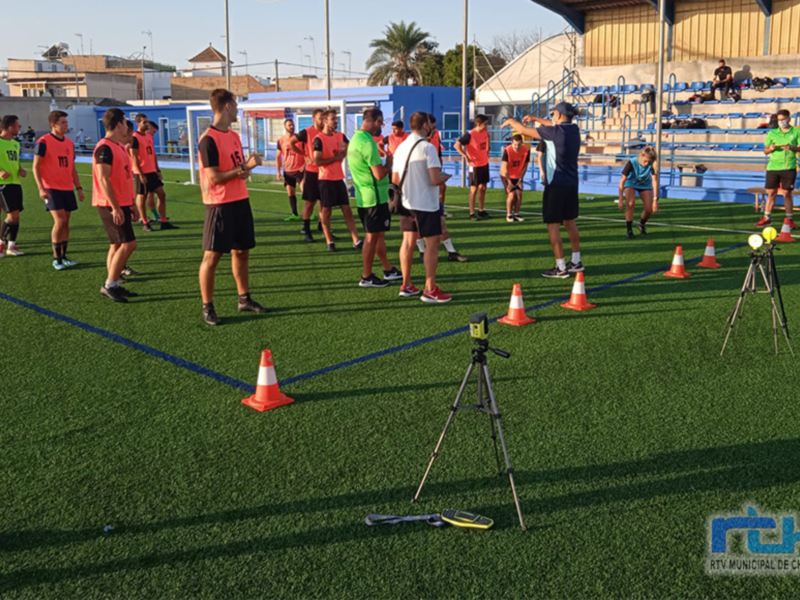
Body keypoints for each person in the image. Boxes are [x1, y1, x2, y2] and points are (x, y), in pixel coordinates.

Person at [198, 89, 268, 326]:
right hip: (219, 205)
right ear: (227, 106)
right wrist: (244, 168)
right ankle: (207, 307)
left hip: (240, 201)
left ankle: (244, 299)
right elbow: (215, 177)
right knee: (212, 257)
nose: (238, 110)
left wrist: (246, 168)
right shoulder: (208, 139)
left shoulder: (234, 136)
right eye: (236, 106)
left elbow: (238, 172)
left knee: (242, 252)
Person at [501, 102, 583, 279]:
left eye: (553, 114)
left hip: (555, 184)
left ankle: (561, 267)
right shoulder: (574, 130)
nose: (552, 116)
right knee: (570, 221)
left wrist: (510, 121)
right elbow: (552, 124)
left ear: (559, 115)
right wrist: (535, 118)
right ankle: (576, 261)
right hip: (571, 183)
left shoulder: (553, 132)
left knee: (553, 224)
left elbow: (522, 130)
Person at [392, 111, 453, 302]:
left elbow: (395, 179)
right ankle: (430, 289)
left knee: (407, 242)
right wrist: (444, 178)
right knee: (432, 244)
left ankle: (407, 284)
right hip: (426, 203)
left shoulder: (400, 147)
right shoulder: (428, 147)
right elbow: (435, 179)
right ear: (425, 126)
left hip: (406, 202)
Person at [347, 107, 402, 287]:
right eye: (381, 123)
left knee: (378, 235)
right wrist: (389, 164)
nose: (381, 127)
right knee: (372, 237)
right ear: (377, 121)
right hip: (374, 198)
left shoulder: (356, 139)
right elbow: (379, 174)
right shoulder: (367, 143)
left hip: (365, 196)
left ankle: (388, 269)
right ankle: (366, 276)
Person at [92, 108, 139, 302]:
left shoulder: (118, 146)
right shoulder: (104, 148)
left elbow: (124, 179)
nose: (127, 126)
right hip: (110, 204)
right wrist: (116, 207)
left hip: (122, 203)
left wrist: (132, 204)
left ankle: (115, 283)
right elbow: (103, 179)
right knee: (129, 244)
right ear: (119, 124)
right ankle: (110, 284)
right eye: (125, 122)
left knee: (117, 244)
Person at [32, 110, 85, 270]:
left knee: (66, 223)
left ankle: (63, 256)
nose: (66, 125)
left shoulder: (69, 143)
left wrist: (79, 187)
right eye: (63, 122)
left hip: (67, 188)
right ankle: (56, 259)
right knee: (60, 221)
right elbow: (36, 166)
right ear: (53, 125)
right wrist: (41, 188)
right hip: (51, 188)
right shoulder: (43, 141)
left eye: (66, 122)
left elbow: (72, 167)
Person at [417, 113, 468, 263]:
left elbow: (438, 158)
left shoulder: (431, 145)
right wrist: (439, 178)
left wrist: (439, 173)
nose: (434, 131)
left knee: (441, 223)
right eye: (431, 127)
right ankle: (422, 253)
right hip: (418, 194)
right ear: (425, 126)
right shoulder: (418, 146)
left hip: (429, 193)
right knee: (416, 228)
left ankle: (451, 252)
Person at [313, 109, 361, 252]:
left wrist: (344, 151)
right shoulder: (318, 139)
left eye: (336, 118)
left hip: (339, 178)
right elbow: (317, 161)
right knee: (326, 211)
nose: (336, 121)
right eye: (333, 119)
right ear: (325, 121)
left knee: (347, 210)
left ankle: (356, 240)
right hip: (325, 180)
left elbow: (349, 147)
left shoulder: (340, 136)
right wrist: (336, 158)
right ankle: (329, 241)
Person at [758, 109, 799, 229]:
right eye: (779, 120)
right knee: (771, 193)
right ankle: (767, 218)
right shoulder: (772, 133)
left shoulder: (796, 132)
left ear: (789, 119)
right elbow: (765, 151)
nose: (781, 122)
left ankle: (789, 220)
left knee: (787, 193)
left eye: (783, 119)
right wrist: (770, 149)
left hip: (789, 167)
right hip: (773, 167)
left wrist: (792, 147)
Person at [288, 109, 325, 243]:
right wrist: (304, 155)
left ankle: (323, 227)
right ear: (314, 119)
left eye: (324, 118)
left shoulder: (327, 132)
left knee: (324, 202)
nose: (323, 120)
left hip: (324, 172)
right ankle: (306, 229)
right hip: (312, 172)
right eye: (320, 118)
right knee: (310, 202)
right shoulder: (306, 132)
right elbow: (290, 143)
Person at [454, 114, 491, 220]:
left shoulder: (485, 132)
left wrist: (488, 149)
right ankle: (472, 213)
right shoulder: (470, 134)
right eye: (485, 124)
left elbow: (487, 138)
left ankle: (481, 210)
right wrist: (465, 156)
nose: (487, 125)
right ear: (478, 124)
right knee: (474, 189)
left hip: (484, 163)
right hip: (474, 165)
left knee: (483, 187)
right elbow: (457, 145)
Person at [618, 146, 659, 239]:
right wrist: (620, 199)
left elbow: (654, 181)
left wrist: (655, 200)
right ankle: (629, 230)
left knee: (649, 209)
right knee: (630, 203)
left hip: (645, 184)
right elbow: (622, 180)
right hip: (630, 183)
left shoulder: (652, 164)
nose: (646, 163)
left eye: (649, 162)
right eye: (645, 161)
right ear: (641, 156)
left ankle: (641, 224)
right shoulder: (632, 162)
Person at [0, 115, 26, 258]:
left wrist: (20, 169)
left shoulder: (16, 144)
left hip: (16, 183)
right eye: (17, 126)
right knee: (12, 215)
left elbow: (14, 161)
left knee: (16, 216)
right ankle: (1, 244)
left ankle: (11, 246)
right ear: (10, 127)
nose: (19, 129)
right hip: (3, 184)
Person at [145, 121, 176, 229]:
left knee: (161, 194)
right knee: (148, 195)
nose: (154, 134)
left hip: (152, 171)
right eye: (153, 131)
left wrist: (157, 170)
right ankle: (148, 218)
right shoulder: (137, 138)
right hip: (143, 172)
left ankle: (162, 219)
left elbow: (153, 155)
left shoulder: (149, 138)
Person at [276, 118, 304, 222]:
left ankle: (309, 213)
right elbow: (278, 157)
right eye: (289, 125)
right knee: (291, 193)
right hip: (288, 171)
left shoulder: (299, 139)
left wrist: (304, 165)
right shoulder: (281, 140)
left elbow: (307, 153)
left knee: (305, 191)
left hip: (300, 170)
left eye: (292, 125)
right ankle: (295, 214)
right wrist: (278, 171)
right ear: (285, 127)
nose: (292, 126)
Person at [500, 134, 531, 222]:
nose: (517, 147)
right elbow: (505, 169)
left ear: (522, 143)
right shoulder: (507, 151)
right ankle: (509, 215)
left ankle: (516, 214)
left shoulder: (526, 150)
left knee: (519, 194)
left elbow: (525, 166)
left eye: (519, 144)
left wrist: (520, 180)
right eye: (515, 145)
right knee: (512, 194)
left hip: (518, 175)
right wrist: (509, 182)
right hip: (506, 175)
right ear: (512, 143)